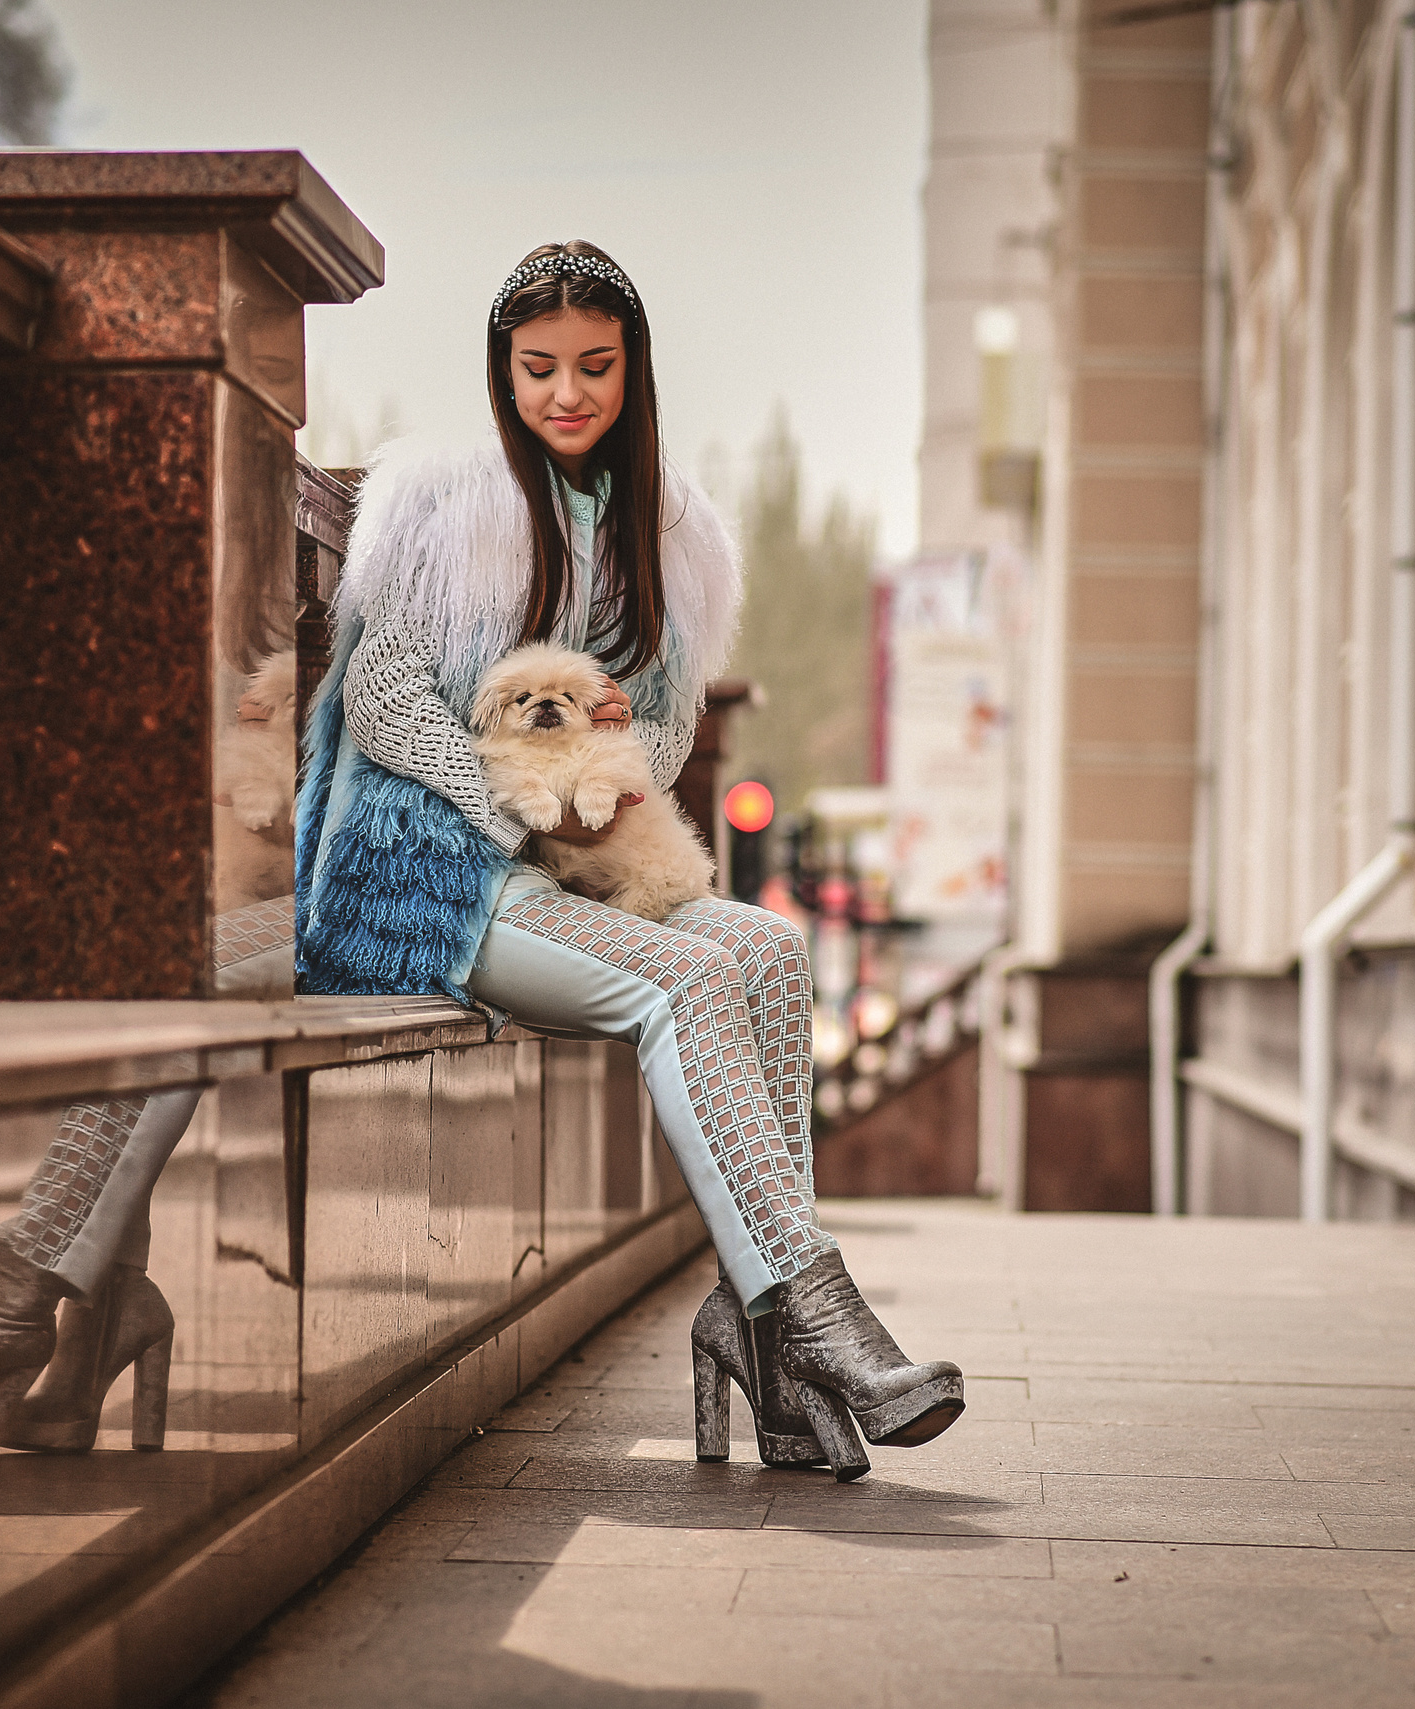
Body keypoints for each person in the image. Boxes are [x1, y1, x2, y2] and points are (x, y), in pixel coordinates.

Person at [294, 241, 962, 1481]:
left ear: (631, 369)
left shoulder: (666, 533)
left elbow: (660, 719)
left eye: (593, 367)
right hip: (424, 875)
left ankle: (752, 1319)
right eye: (537, 367)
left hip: (573, 872)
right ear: (502, 370)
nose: (565, 393)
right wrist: (523, 803)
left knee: (761, 947)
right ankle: (811, 1319)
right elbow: (380, 699)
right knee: (687, 982)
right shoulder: (445, 502)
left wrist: (614, 779)